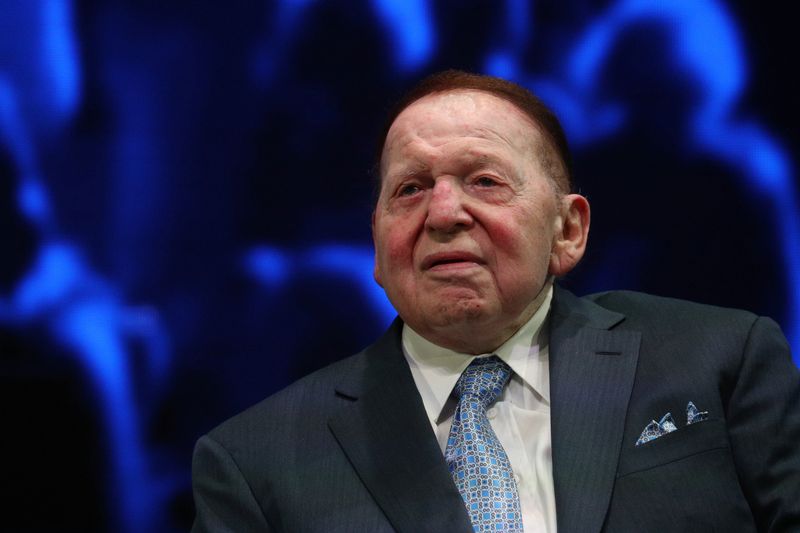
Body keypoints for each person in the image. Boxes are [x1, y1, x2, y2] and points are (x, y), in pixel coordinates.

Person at [191, 70, 800, 532]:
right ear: (377, 245)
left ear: (568, 231)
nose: (444, 213)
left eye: (484, 181)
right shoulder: (253, 464)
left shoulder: (722, 360)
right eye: (410, 189)